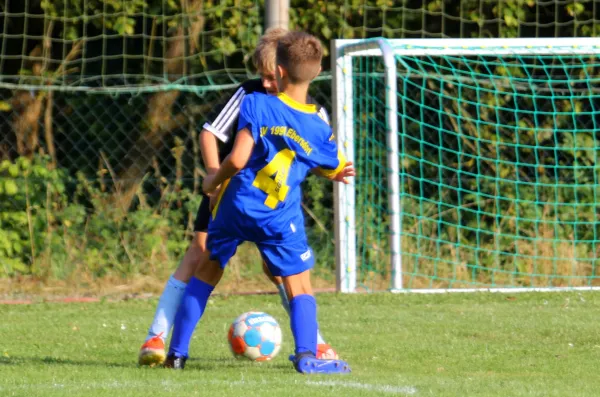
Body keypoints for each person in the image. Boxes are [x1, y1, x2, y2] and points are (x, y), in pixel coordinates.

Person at [138, 28, 338, 366]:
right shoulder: (251, 95)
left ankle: (313, 342)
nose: (266, 83)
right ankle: (157, 336)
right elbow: (211, 134)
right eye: (261, 76)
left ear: (283, 71)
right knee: (200, 254)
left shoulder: (308, 113)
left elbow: (315, 162)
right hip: (229, 187)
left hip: (259, 196)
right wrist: (215, 181)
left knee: (275, 273)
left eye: (270, 76)